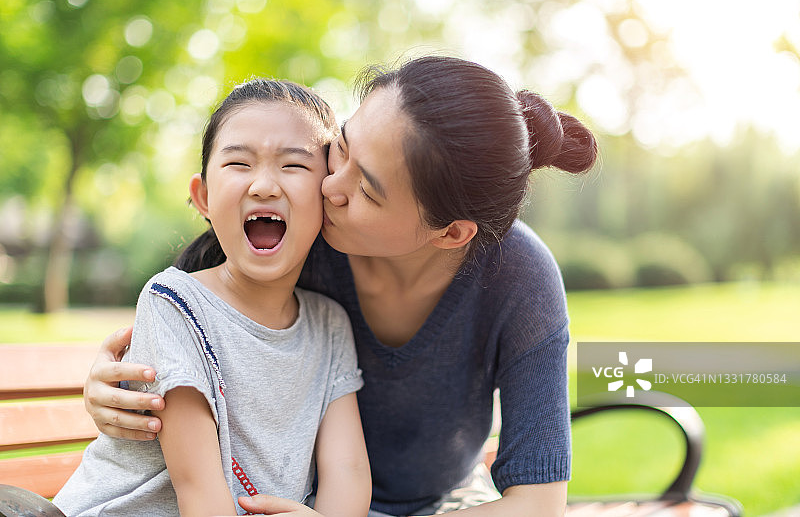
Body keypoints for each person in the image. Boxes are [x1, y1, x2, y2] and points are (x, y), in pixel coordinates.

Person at [83, 56, 598, 516]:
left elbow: (537, 501)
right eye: (341, 149)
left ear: (450, 233)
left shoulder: (519, 276)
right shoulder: (301, 236)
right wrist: (117, 386)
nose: (330, 187)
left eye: (367, 190)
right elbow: (197, 316)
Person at [54, 79, 371, 517]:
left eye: (294, 166)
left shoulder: (329, 324)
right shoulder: (174, 303)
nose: (264, 185)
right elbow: (198, 491)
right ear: (203, 197)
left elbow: (348, 471)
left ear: (327, 197)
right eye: (239, 163)